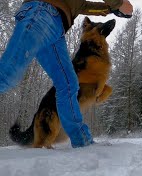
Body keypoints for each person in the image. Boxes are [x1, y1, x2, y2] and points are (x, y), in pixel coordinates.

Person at [0, 0, 133, 148]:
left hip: (56, 28)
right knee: (7, 74)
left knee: (68, 85)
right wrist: (118, 3)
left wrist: (112, 9)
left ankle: (82, 141)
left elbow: (88, 7)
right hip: (41, 13)